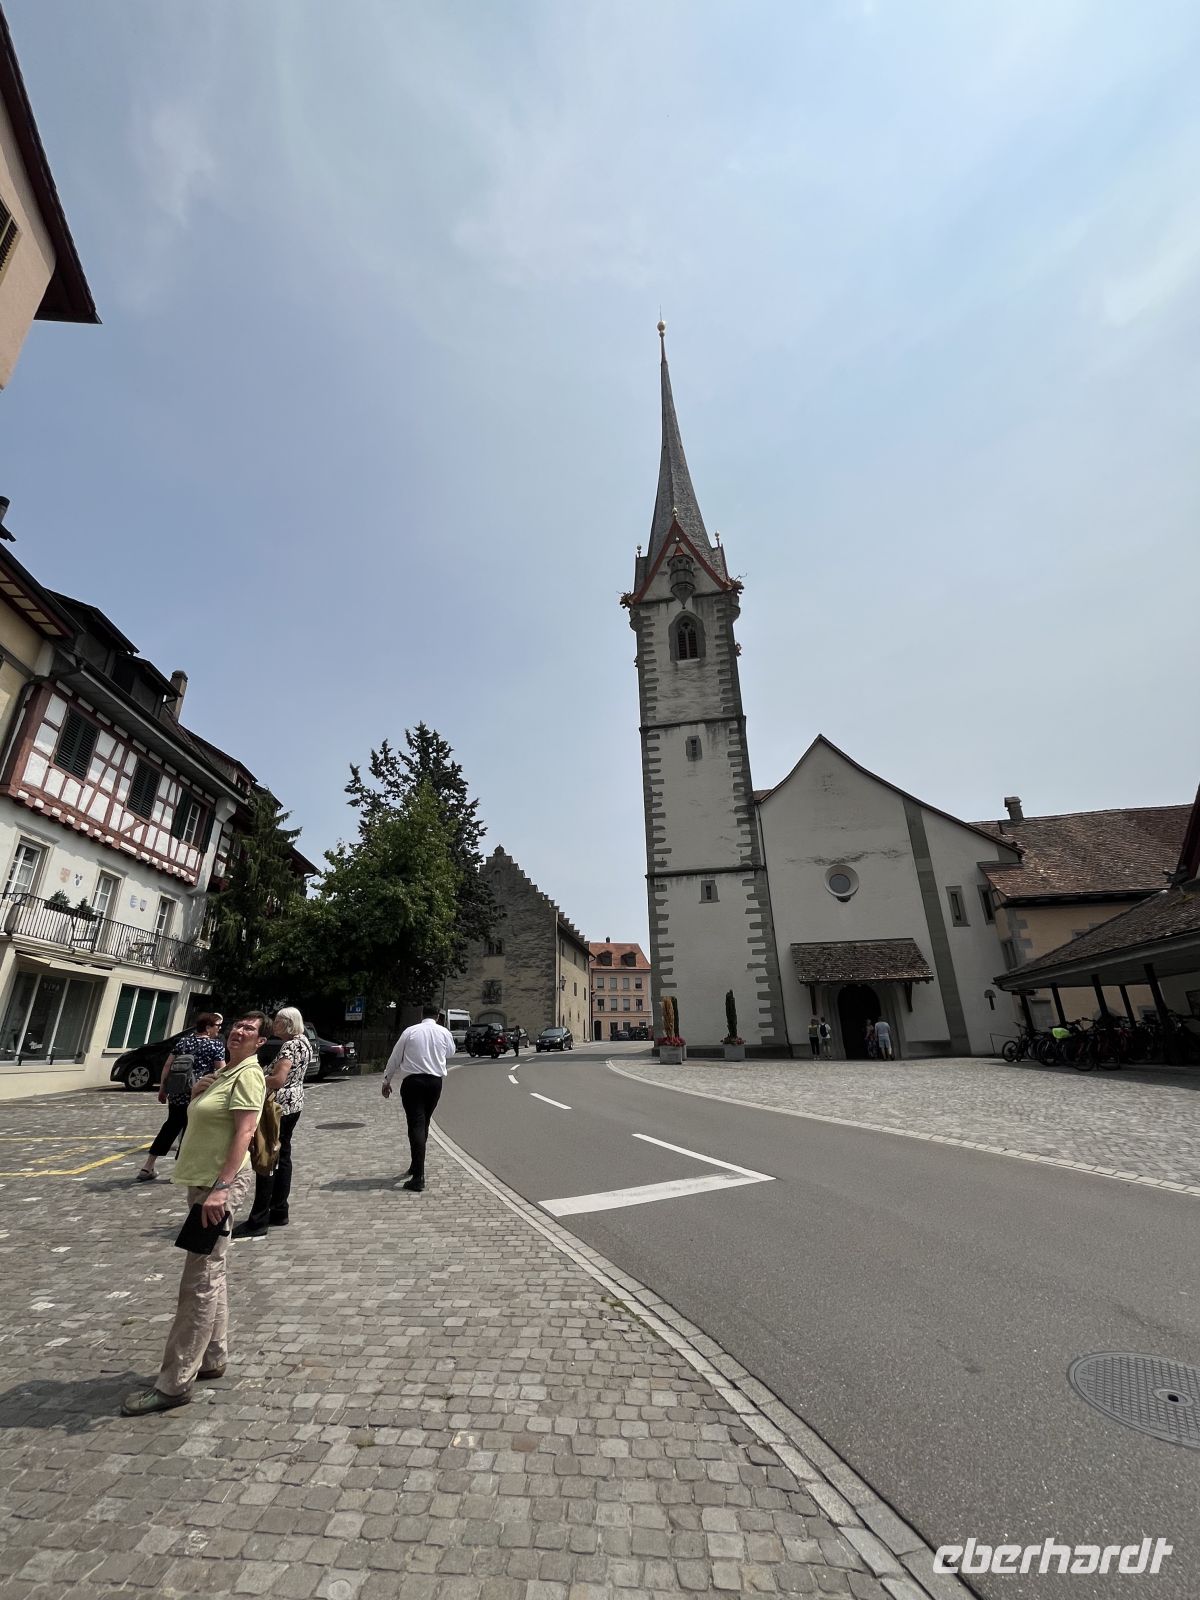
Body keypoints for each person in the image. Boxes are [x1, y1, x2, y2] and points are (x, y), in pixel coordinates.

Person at [121, 1012, 268, 1416]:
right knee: (212, 1271)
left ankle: (174, 1383)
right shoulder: (226, 1073)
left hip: (217, 1186)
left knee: (198, 1282)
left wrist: (221, 1188)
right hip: (203, 1182)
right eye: (238, 1025)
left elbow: (245, 1132)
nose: (239, 1030)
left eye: (250, 1029)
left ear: (259, 1042)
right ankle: (213, 1357)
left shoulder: (248, 1075)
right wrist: (200, 1090)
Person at [232, 1008, 312, 1240]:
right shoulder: (304, 1042)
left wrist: (253, 1077)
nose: (274, 1025)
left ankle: (259, 1219)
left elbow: (278, 1079)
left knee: (267, 1158)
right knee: (283, 1156)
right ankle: (279, 1210)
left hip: (279, 1106)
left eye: (277, 1021)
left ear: (288, 1023)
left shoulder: (290, 1046)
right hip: (295, 1102)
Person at [137, 1014, 224, 1181]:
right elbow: (221, 1070)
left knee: (170, 1126)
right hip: (198, 1093)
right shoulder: (215, 1045)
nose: (219, 1029)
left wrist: (163, 1088)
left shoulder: (183, 1042)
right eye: (217, 1026)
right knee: (191, 1130)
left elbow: (168, 1065)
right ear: (208, 1028)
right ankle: (180, 1169)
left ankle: (148, 1166)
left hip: (177, 1091)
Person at [381, 1003, 455, 1192]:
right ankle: (416, 1165)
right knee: (424, 1122)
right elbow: (451, 1052)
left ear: (422, 1014)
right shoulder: (444, 1032)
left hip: (413, 1082)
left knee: (415, 1124)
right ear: (438, 1016)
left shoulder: (410, 1032)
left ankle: (418, 1176)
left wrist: (386, 1080)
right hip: (434, 1083)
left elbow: (395, 1057)